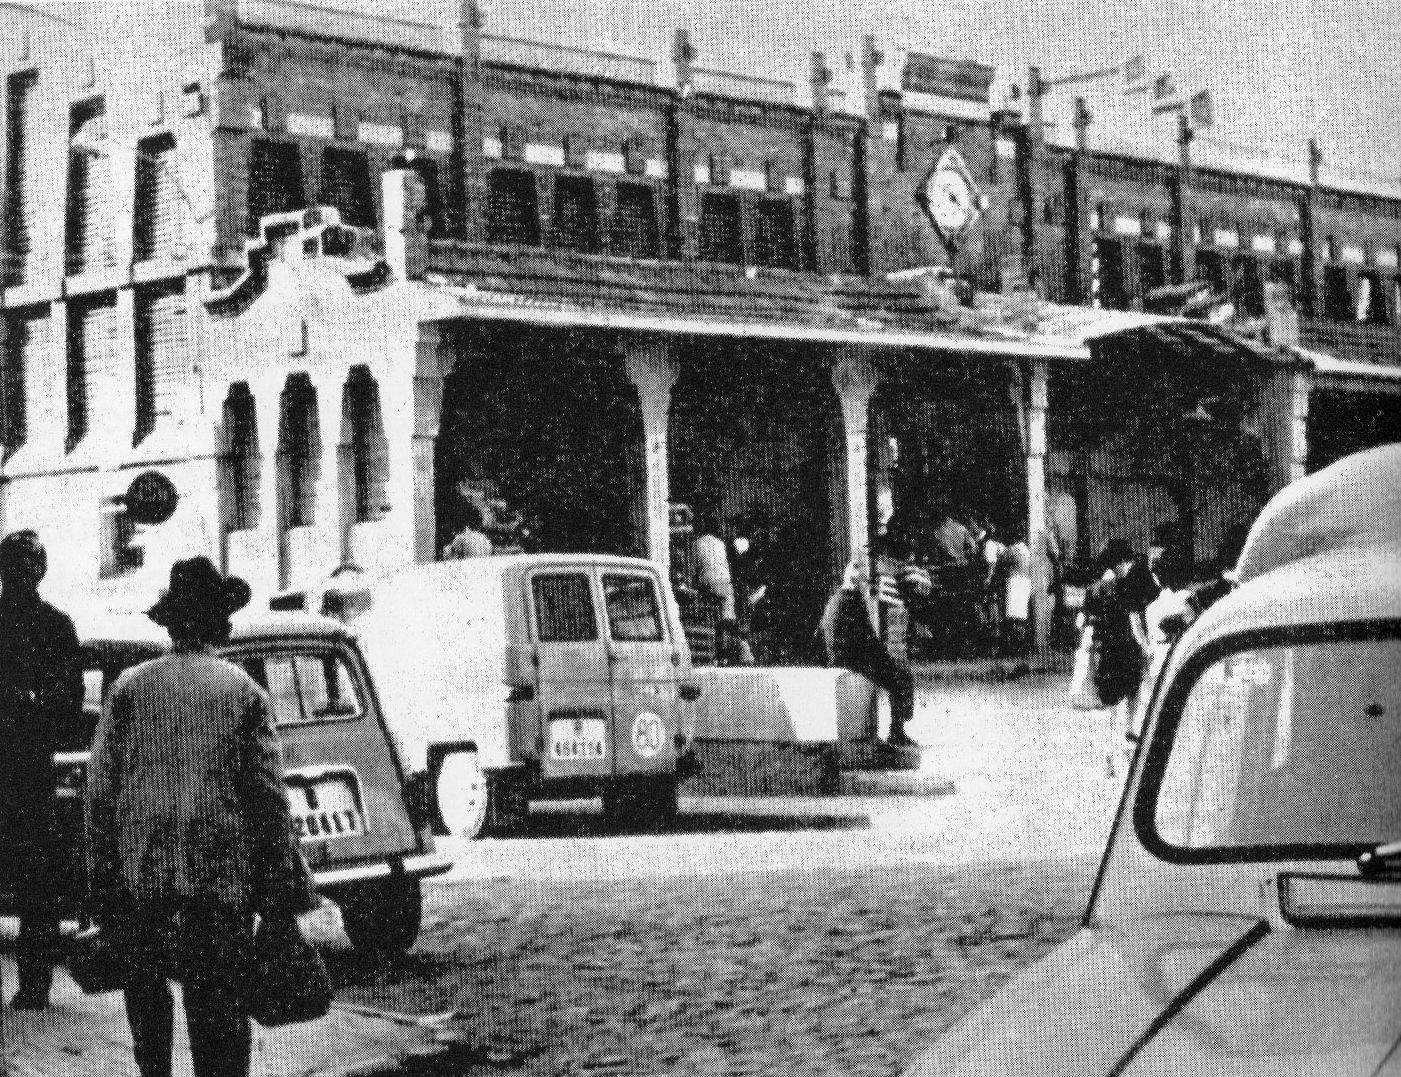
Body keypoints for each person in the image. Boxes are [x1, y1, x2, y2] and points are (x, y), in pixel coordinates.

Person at [86, 557, 317, 1077]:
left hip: (140, 881)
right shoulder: (242, 693)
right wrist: (282, 897)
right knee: (219, 1022)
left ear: (169, 623)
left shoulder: (127, 689)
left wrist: (101, 882)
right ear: (218, 622)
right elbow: (268, 804)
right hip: (218, 884)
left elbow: (100, 795)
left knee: (147, 1010)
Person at [0, 530, 83, 1009]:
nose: (28, 571)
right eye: (20, 563)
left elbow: (68, 706)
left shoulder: (57, 627)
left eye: (34, 561)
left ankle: (34, 985)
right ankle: (33, 984)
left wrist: (30, 706)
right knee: (35, 885)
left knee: (36, 886)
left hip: (31, 772)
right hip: (23, 770)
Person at [817, 559, 917, 748]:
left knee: (893, 671)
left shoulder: (835, 598)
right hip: (851, 660)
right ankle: (897, 731)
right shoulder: (853, 600)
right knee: (901, 677)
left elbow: (820, 632)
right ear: (859, 581)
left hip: (837, 657)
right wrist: (887, 661)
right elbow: (868, 639)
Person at [1084, 539, 1161, 777]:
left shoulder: (1095, 589)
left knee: (1111, 701)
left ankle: (1110, 751)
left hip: (1107, 650)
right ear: (1121, 561)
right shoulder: (1126, 586)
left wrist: (1089, 647)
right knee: (1133, 692)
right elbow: (1135, 620)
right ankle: (1129, 732)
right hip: (1127, 647)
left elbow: (1086, 621)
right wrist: (1146, 646)